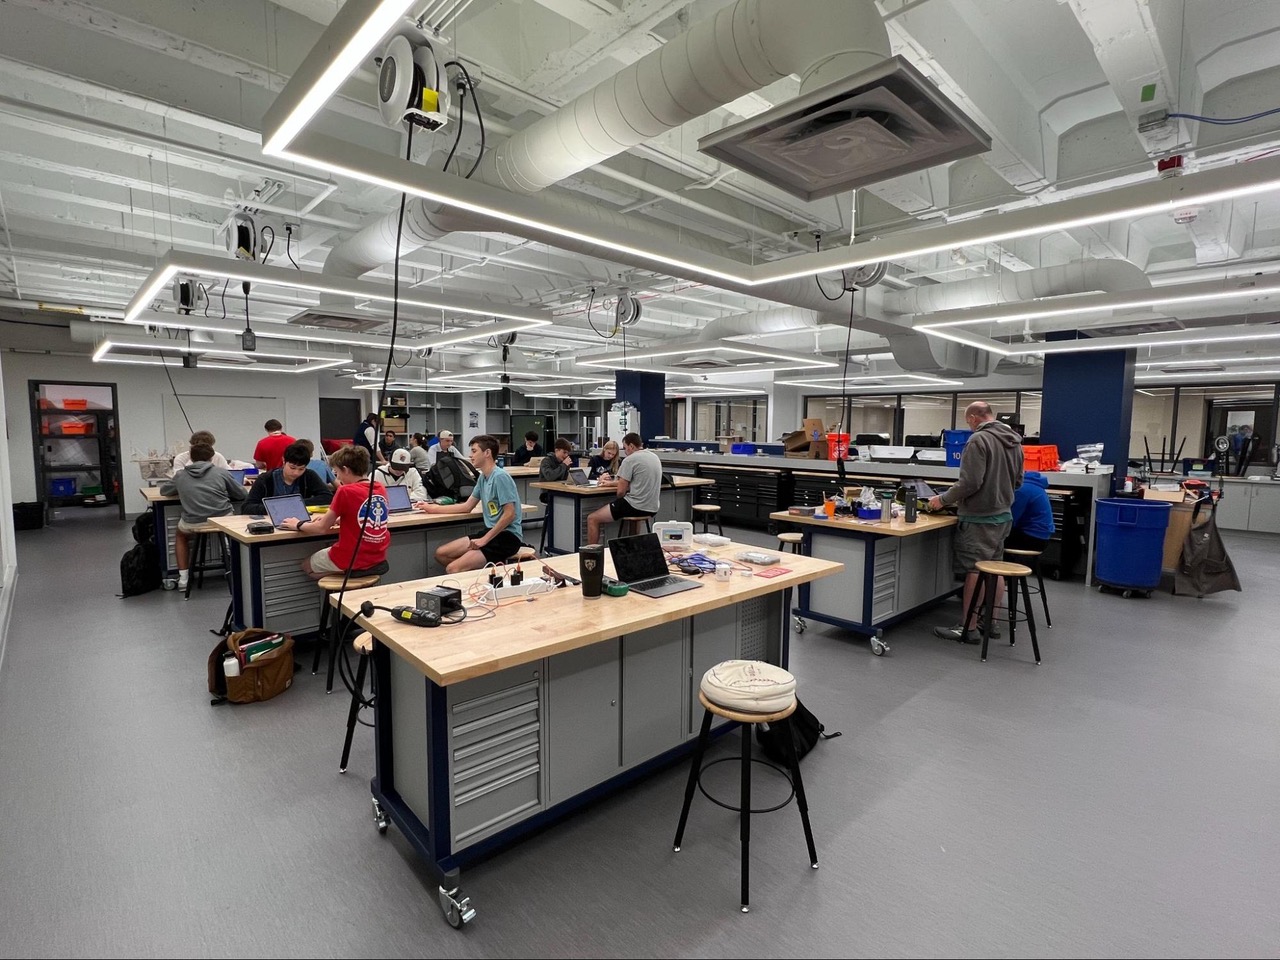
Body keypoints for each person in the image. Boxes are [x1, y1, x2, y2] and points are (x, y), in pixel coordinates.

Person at [928, 401, 1024, 644]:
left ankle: (967, 627)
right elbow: (1019, 481)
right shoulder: (1014, 441)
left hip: (979, 518)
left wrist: (942, 499)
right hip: (1003, 516)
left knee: (974, 570)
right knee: (995, 568)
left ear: (972, 418)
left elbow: (970, 483)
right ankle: (989, 622)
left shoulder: (978, 440)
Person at [279, 444, 390, 579]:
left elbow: (321, 528)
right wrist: (338, 519)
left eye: (337, 473)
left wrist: (297, 524)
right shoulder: (380, 488)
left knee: (307, 566)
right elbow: (366, 515)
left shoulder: (345, 491)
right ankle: (352, 574)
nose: (338, 479)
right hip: (377, 556)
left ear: (346, 470)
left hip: (352, 557)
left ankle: (348, 574)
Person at [416, 434, 523, 573]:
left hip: (507, 537)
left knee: (453, 568)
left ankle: (477, 574)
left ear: (487, 453)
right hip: (491, 532)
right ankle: (480, 573)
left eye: (474, 451)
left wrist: (484, 540)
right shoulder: (483, 478)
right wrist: (433, 508)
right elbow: (467, 506)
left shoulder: (500, 477)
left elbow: (510, 514)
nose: (470, 455)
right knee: (441, 553)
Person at [158, 441, 247, 591]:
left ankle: (183, 579)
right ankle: (235, 570)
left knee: (181, 536)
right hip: (223, 520)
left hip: (193, 522)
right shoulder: (221, 473)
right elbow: (241, 494)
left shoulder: (180, 475)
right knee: (233, 533)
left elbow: (164, 491)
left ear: (191, 458)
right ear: (212, 458)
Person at [586, 432, 661, 545]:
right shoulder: (654, 457)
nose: (625, 452)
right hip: (652, 507)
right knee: (633, 516)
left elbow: (620, 492)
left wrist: (619, 496)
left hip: (635, 506)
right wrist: (609, 484)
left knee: (592, 518)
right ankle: (632, 547)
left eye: (625, 448)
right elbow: (634, 483)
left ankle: (591, 555)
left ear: (631, 446)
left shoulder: (630, 460)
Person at [244, 441, 333, 512]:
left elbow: (327, 497)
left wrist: (296, 504)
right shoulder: (265, 479)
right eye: (292, 467)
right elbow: (247, 507)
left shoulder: (309, 475)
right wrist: (277, 507)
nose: (296, 473)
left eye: (301, 469)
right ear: (284, 461)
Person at [1008, 470, 1055, 552]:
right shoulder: (1035, 486)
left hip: (1032, 538)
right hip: (1042, 536)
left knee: (995, 540)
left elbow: (1011, 519)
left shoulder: (1022, 490)